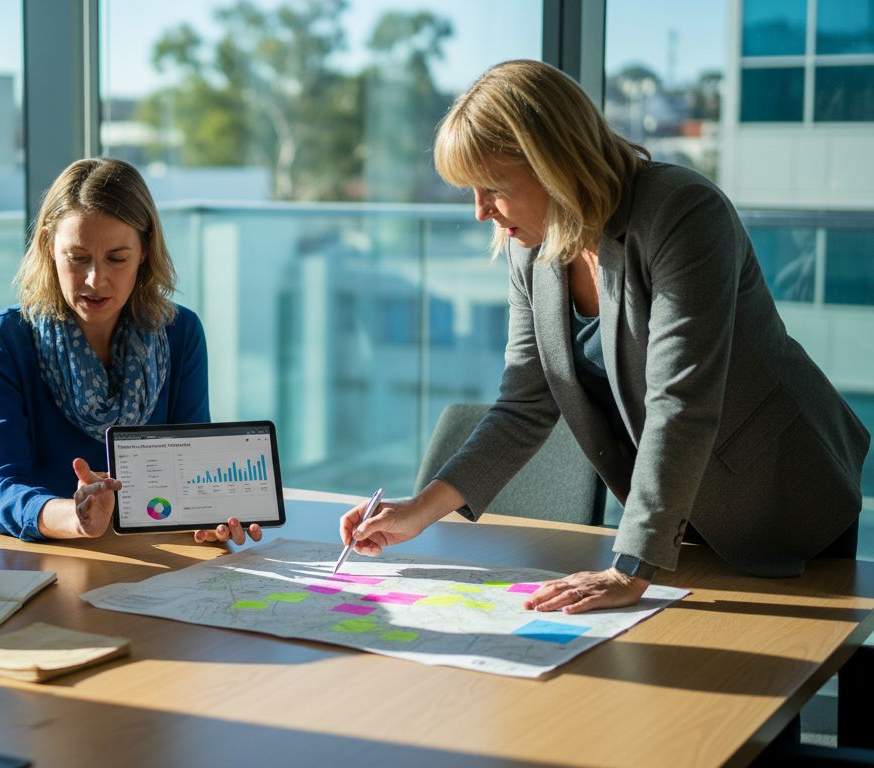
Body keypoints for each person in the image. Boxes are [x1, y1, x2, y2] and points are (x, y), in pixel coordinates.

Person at [340, 60, 869, 615]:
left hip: (779, 493)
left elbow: (680, 402)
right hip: (678, 514)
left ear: (553, 164)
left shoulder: (682, 213)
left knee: (780, 673)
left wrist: (630, 568)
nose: (480, 211)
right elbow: (524, 403)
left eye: (493, 187)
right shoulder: (532, 249)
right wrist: (421, 509)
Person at [0, 158, 260, 545]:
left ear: (145, 250)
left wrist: (209, 513)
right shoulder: (2, 341)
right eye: (78, 257)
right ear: (50, 245)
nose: (95, 279)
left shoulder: (181, 333)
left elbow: (187, 473)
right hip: (18, 554)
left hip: (136, 548)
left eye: (116, 258)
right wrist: (77, 517)